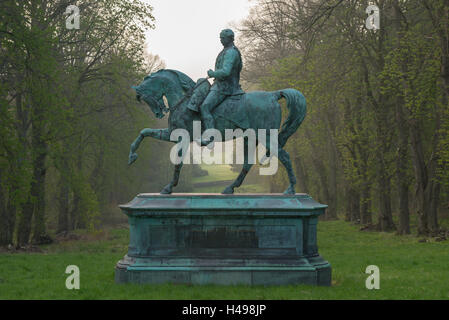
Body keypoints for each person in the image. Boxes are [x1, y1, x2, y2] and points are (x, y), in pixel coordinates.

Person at [199, 29, 243, 147]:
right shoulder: (226, 50)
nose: (221, 40)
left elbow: (226, 71)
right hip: (220, 84)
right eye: (220, 38)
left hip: (225, 87)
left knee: (205, 107)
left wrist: (213, 74)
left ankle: (210, 137)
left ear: (229, 38)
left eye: (222, 38)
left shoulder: (231, 52)